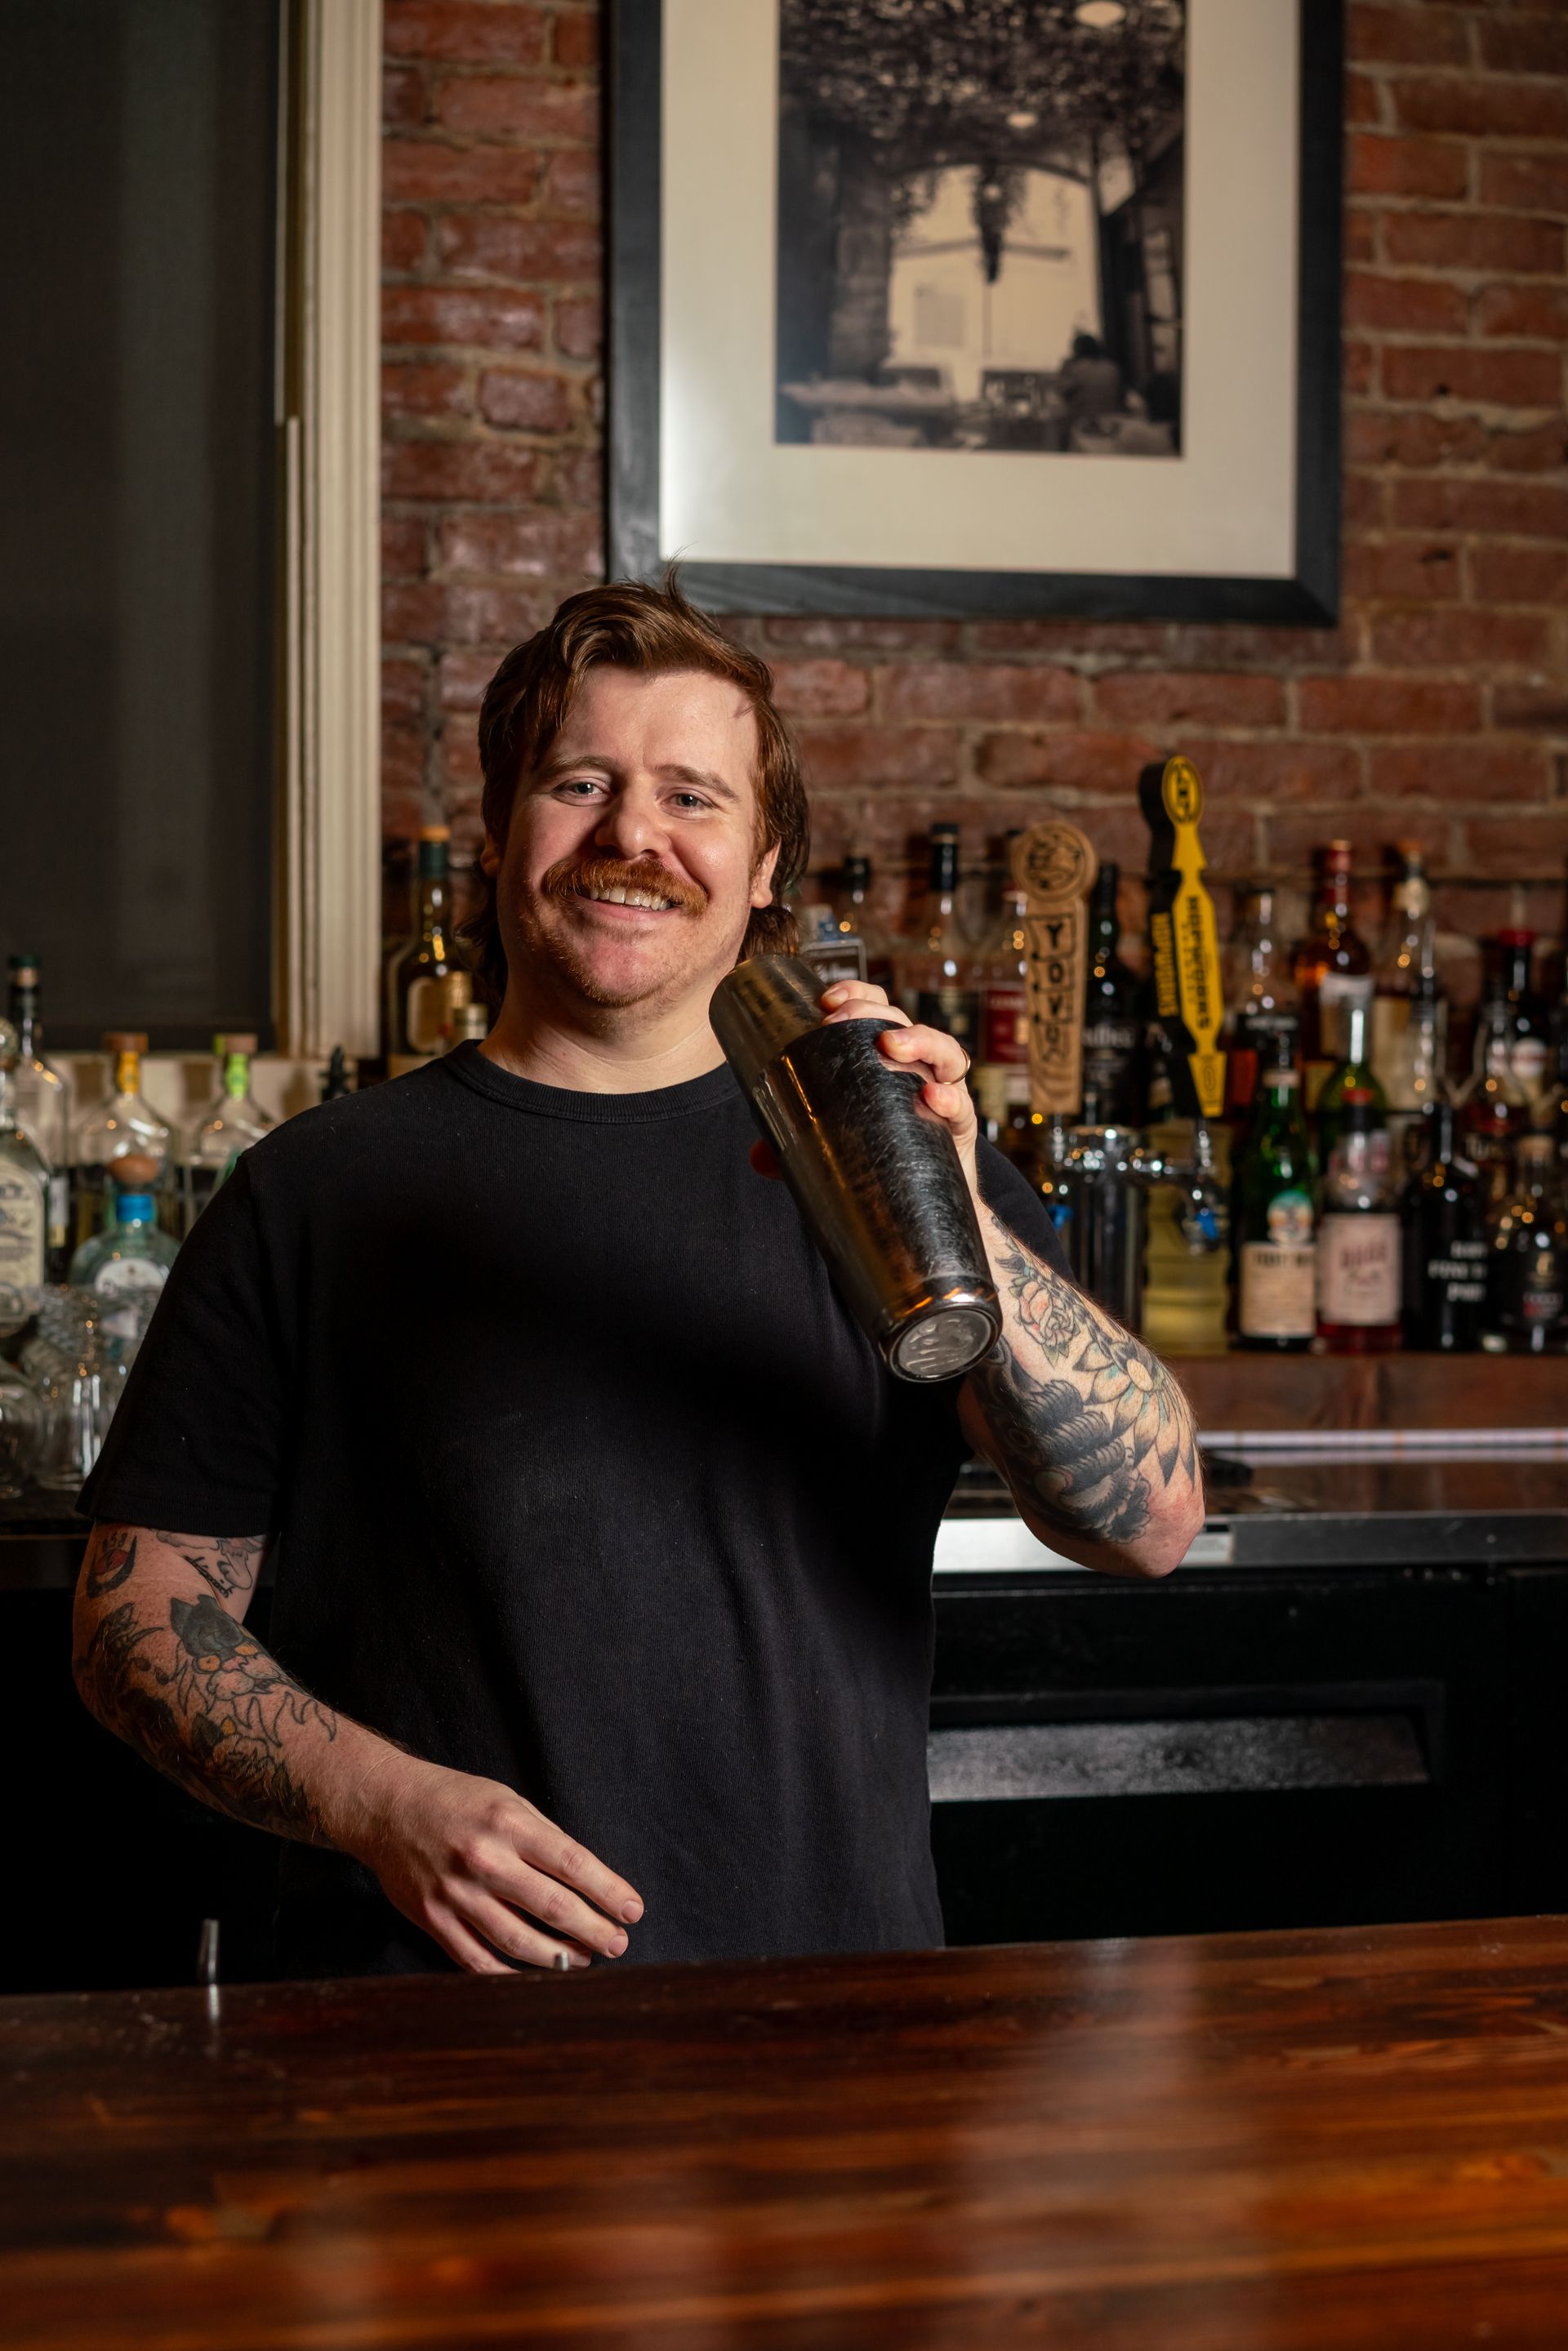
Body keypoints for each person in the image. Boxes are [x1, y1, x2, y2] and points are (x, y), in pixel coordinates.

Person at [71, 578, 1202, 1980]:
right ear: (499, 826)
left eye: (693, 796)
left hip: (827, 2021)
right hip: (429, 2047)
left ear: (768, 862)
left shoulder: (892, 1181)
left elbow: (1150, 1521)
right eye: (582, 781)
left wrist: (951, 1197)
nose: (632, 835)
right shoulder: (315, 1190)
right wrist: (387, 1806)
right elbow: (134, 1621)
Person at [1058, 331, 1124, 423]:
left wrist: (1064, 370)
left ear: (1077, 350)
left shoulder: (1076, 369)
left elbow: (1060, 395)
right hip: (1113, 422)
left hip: (1087, 425)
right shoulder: (1112, 367)